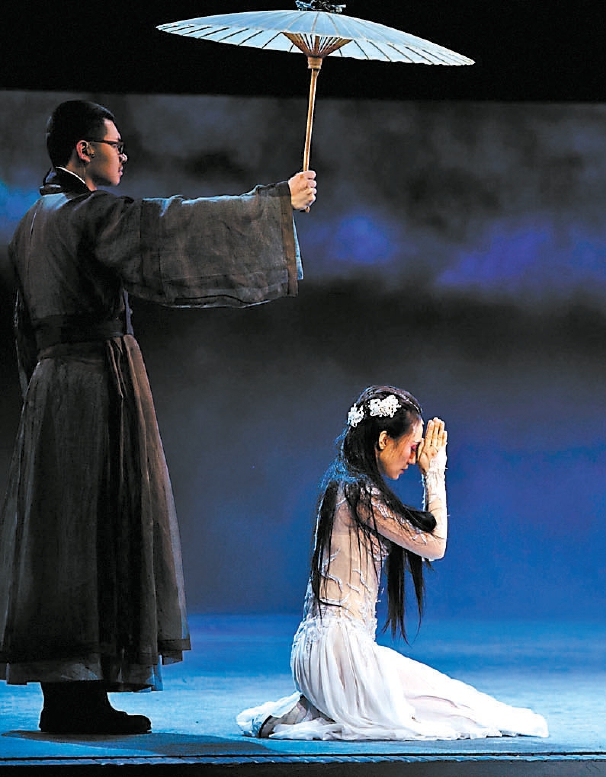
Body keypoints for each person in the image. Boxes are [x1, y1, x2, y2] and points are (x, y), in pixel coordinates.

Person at [0, 99, 317, 735]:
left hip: (51, 388)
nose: (123, 155)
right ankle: (80, 700)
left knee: (63, 537)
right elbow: (171, 230)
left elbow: (23, 329)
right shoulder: (89, 214)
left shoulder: (31, 223)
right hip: (94, 383)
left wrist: (42, 395)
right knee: (100, 526)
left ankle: (70, 695)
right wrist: (275, 204)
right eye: (115, 145)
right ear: (84, 149)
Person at [238, 386, 548, 741]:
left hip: (320, 654)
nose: (415, 457)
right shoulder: (359, 494)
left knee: (453, 701)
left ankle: (317, 707)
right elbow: (435, 545)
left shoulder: (344, 486)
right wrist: (434, 473)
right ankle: (324, 706)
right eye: (412, 447)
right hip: (339, 657)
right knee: (462, 711)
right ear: (384, 440)